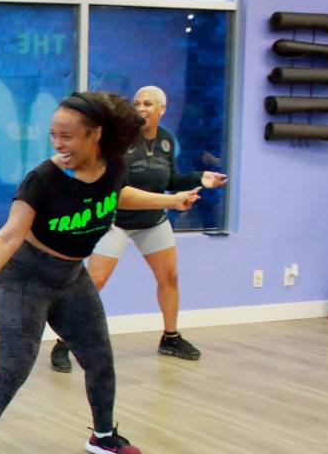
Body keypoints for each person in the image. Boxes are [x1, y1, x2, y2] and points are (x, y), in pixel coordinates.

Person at [0, 91, 201, 454]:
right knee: (13, 371)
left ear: (96, 135)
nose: (58, 144)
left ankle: (103, 434)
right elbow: (8, 237)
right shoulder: (43, 179)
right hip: (25, 280)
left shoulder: (113, 166)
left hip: (71, 279)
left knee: (100, 359)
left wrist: (172, 199)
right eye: (53, 135)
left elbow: (118, 193)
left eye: (67, 136)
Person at [50, 86, 227, 372]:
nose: (141, 108)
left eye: (148, 103)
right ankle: (63, 343)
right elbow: (114, 186)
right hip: (115, 222)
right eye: (137, 103)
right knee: (92, 283)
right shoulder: (120, 141)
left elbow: (171, 179)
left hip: (152, 221)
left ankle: (170, 338)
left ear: (162, 110)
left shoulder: (166, 140)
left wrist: (201, 178)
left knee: (169, 278)